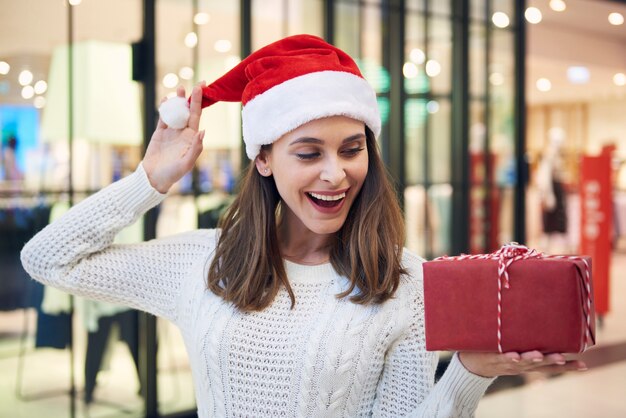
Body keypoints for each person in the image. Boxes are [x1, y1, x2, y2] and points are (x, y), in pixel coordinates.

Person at [21, 34, 586, 417]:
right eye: (309, 152)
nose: (336, 174)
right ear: (264, 159)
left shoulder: (401, 279)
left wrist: (467, 373)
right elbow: (48, 259)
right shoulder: (205, 262)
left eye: (351, 148)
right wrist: (150, 178)